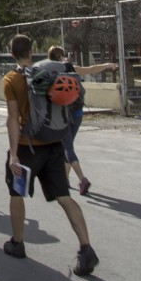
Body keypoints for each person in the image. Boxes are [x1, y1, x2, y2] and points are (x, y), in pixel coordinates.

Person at [3, 34, 98, 275]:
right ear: (32, 50)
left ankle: (17, 243)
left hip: (27, 147)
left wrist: (13, 154)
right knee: (64, 197)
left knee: (17, 193)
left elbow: (13, 119)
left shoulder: (12, 79)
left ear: (11, 53)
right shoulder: (50, 74)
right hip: (54, 144)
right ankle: (86, 248)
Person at [47, 45, 117, 196]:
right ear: (61, 56)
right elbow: (91, 69)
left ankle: (82, 179)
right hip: (78, 112)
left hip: (62, 115)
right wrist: (106, 65)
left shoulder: (50, 71)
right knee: (68, 146)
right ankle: (64, 179)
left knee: (67, 148)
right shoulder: (71, 68)